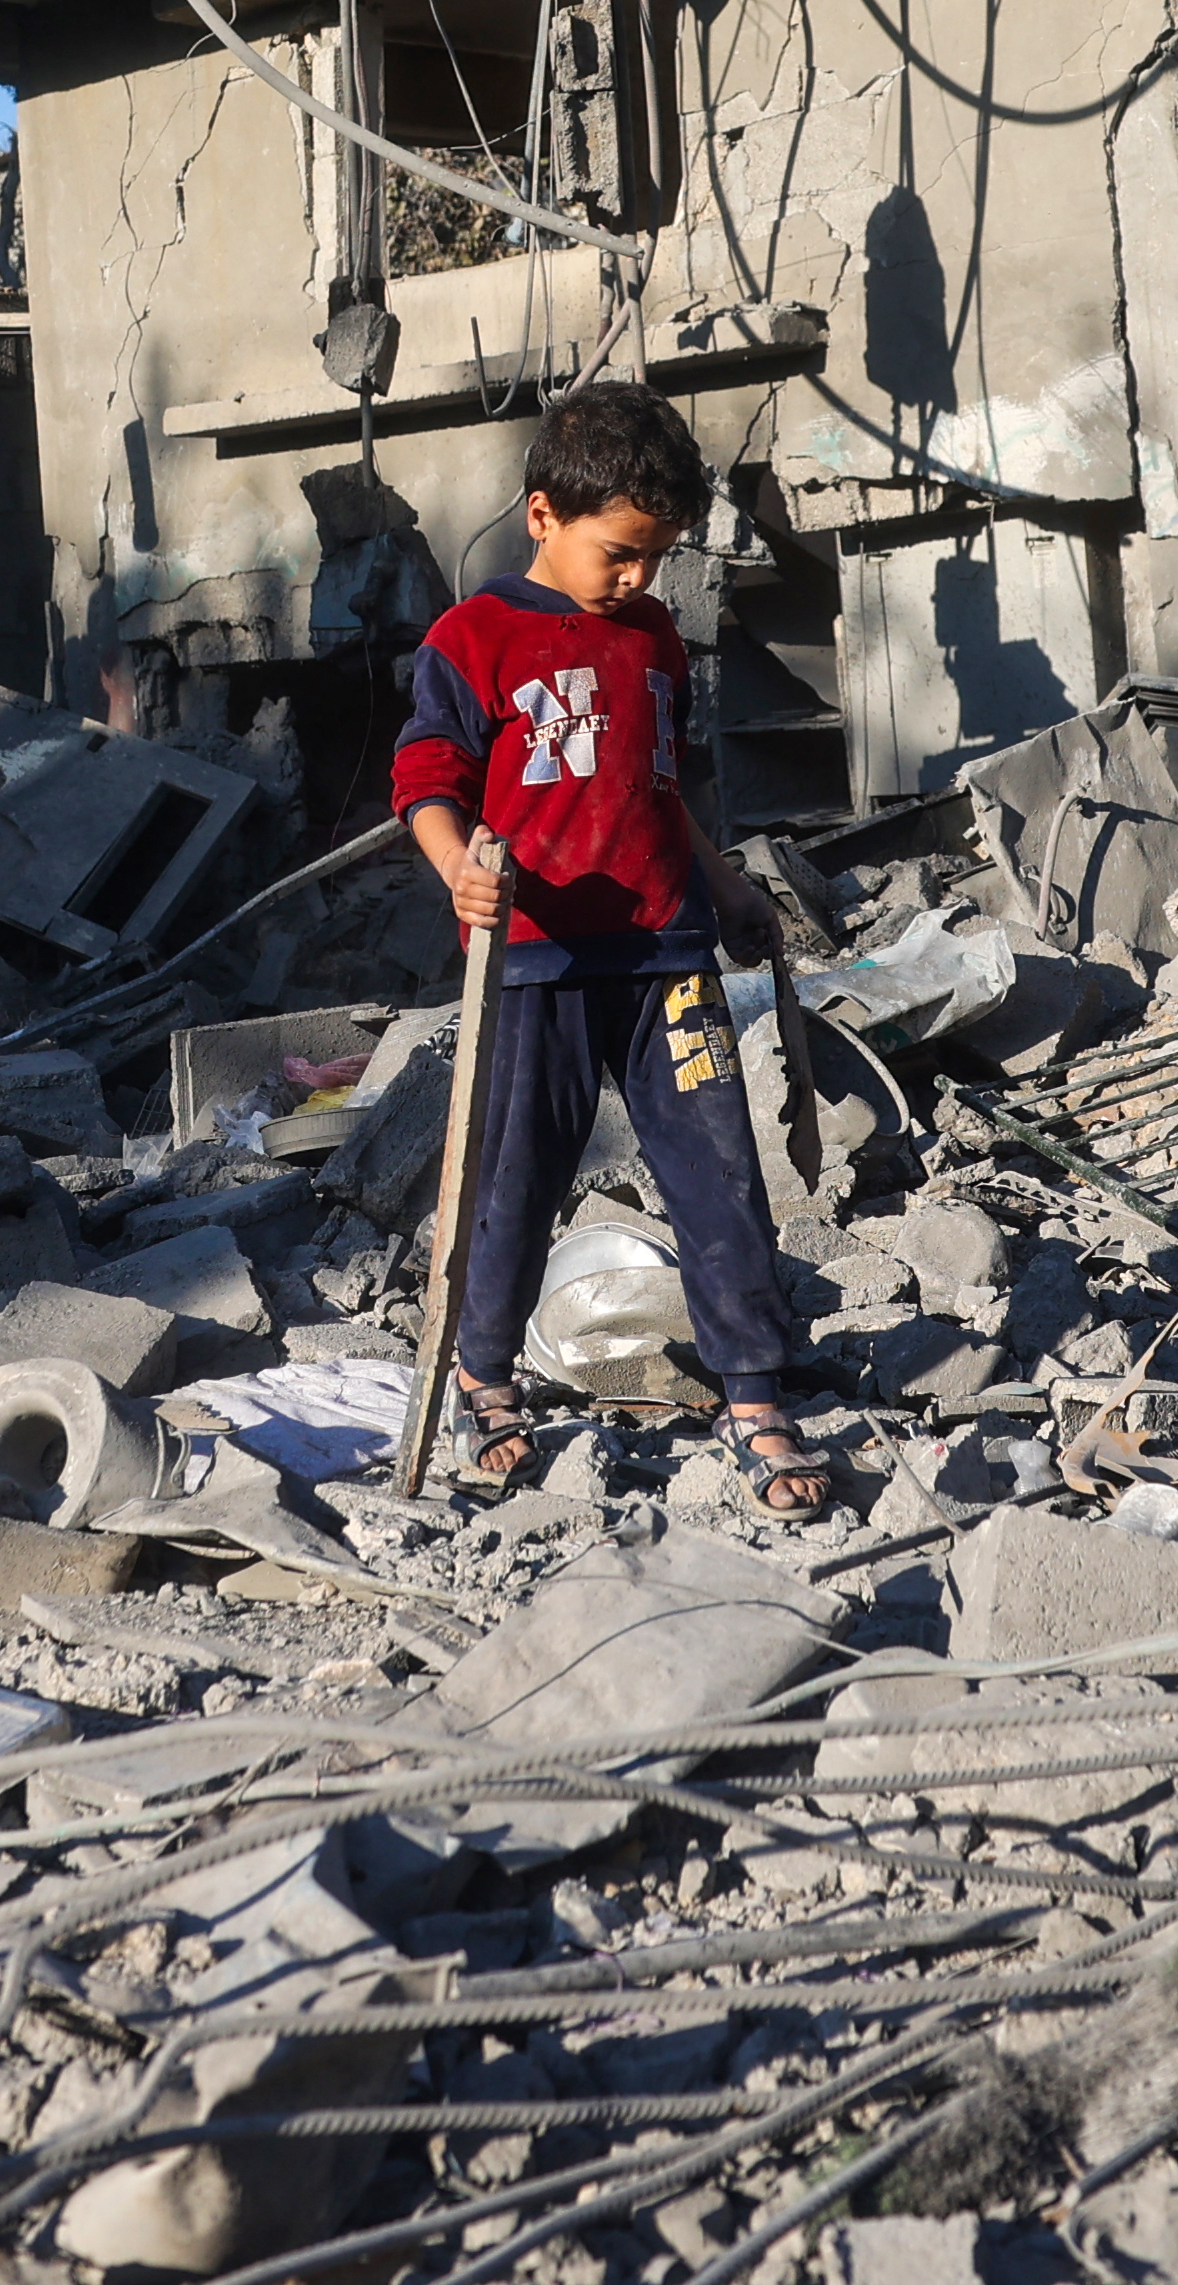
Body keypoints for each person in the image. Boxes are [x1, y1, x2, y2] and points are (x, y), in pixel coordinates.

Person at [389, 379, 827, 1519]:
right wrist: (459, 872)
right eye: (622, 553)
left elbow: (663, 794)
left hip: (665, 955)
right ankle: (485, 1374)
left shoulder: (656, 645)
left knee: (720, 1170)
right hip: (533, 961)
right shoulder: (472, 639)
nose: (637, 579)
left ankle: (752, 1389)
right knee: (513, 1181)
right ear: (544, 516)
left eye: (656, 557)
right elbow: (425, 783)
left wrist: (726, 887)